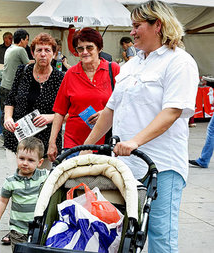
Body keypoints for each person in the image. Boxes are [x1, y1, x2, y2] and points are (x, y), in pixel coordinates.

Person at [80, 1, 199, 252]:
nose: (131, 32)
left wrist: (135, 142)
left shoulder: (179, 62)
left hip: (161, 165)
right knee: (122, 233)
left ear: (158, 25)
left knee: (160, 234)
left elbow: (172, 111)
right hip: (126, 166)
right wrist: (87, 147)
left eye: (137, 26)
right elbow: (111, 110)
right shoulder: (131, 64)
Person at [47, 27, 120, 162]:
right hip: (74, 144)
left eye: (89, 47)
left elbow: (125, 104)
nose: (85, 52)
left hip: (104, 144)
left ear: (99, 48)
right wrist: (52, 142)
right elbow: (59, 111)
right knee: (75, 183)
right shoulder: (71, 74)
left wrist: (105, 113)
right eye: (80, 49)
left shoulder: (113, 69)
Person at [3, 33, 64, 170]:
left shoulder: (60, 78)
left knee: (41, 186)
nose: (43, 54)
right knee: (17, 182)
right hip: (18, 138)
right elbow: (10, 99)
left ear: (54, 54)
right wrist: (8, 118)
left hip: (46, 142)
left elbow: (69, 112)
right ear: (32, 53)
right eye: (39, 50)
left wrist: (50, 117)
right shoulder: (22, 71)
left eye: (47, 50)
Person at [0, 137, 48, 251]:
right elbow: (2, 201)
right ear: (16, 157)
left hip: (39, 228)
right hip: (18, 229)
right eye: (21, 158)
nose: (25, 163)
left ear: (40, 162)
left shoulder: (44, 176)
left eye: (30, 160)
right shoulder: (10, 181)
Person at [0, 29, 33, 111]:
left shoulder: (10, 48)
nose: (27, 42)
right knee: (13, 117)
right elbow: (29, 65)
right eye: (27, 40)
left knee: (5, 116)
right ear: (22, 40)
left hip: (4, 86)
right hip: (12, 88)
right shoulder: (20, 50)